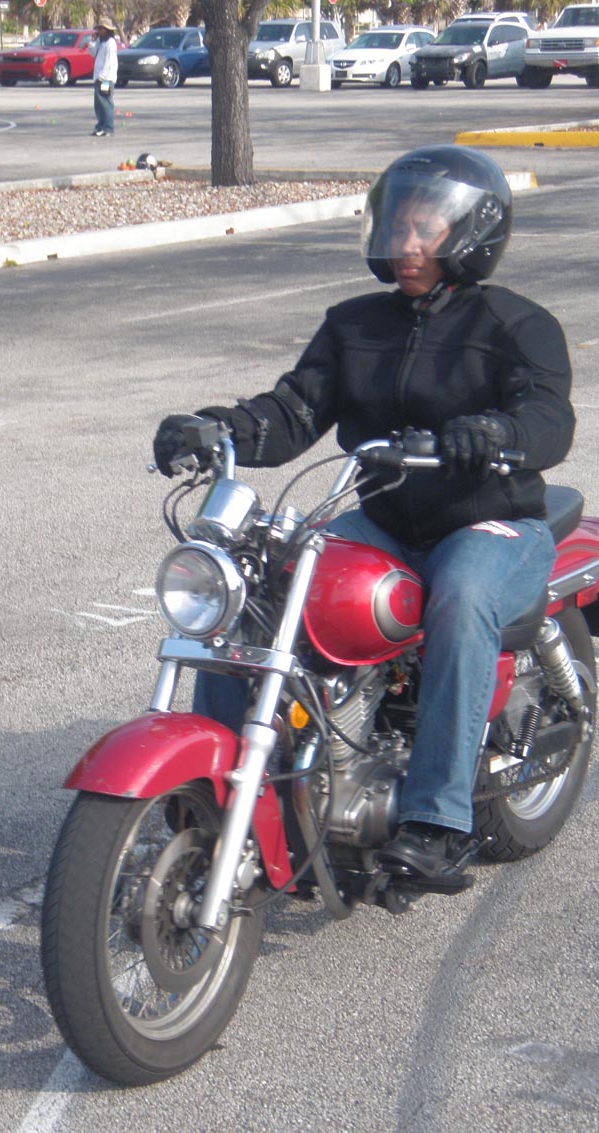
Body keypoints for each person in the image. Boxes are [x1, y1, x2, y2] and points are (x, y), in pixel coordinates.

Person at [152, 145, 575, 892]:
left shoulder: (517, 325)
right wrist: (219, 429)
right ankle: (226, 784)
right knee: (261, 583)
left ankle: (437, 821)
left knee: (463, 595)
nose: (406, 244)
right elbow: (293, 411)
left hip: (490, 522)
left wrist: (497, 434)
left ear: (472, 233)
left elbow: (548, 418)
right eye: (398, 225)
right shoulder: (353, 324)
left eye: (426, 229)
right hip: (385, 524)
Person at [90, 17, 118, 138]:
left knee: (106, 102)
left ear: (107, 30)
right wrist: (93, 41)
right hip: (99, 78)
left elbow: (109, 63)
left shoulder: (111, 43)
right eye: (99, 29)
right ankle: (100, 126)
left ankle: (108, 127)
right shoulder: (101, 42)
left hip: (106, 79)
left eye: (101, 29)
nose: (99, 31)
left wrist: (102, 77)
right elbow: (92, 53)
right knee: (98, 104)